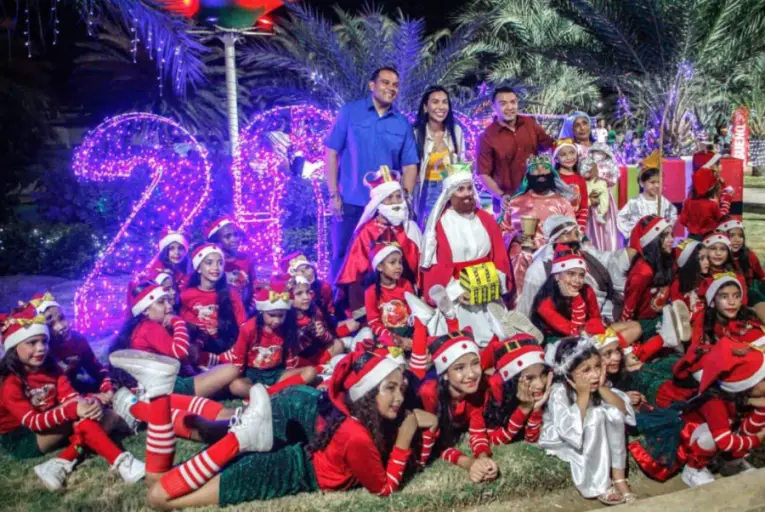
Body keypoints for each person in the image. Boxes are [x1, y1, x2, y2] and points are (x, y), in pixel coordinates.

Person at [110, 349, 437, 508]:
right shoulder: (356, 434)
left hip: (288, 459)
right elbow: (384, 489)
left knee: (157, 484)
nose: (400, 397)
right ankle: (238, 439)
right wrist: (405, 441)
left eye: (402, 388)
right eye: (390, 389)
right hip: (282, 473)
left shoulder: (365, 419)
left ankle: (158, 396)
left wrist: (427, 426)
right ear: (366, 394)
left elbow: (421, 443)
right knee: (158, 498)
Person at [0, 304, 145, 489]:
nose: (41, 348)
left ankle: (60, 462)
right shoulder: (9, 383)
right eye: (32, 342)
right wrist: (76, 407)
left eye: (44, 342)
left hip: (47, 420)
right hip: (23, 437)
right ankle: (121, 460)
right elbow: (33, 422)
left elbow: (71, 396)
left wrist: (88, 403)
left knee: (91, 415)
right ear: (13, 346)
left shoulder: (52, 369)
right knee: (94, 418)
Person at [631, 337, 765, 488]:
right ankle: (694, 469)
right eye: (763, 380)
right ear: (747, 385)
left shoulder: (740, 396)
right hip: (692, 435)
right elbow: (723, 441)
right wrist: (756, 439)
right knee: (710, 437)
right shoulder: (714, 403)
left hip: (722, 432)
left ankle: (731, 462)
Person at [325, 67, 419, 281]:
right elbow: (331, 153)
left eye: (395, 85)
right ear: (372, 85)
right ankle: (338, 308)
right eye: (385, 83)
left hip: (384, 209)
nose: (391, 88)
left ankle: (375, 307)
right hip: (350, 200)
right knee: (342, 254)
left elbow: (410, 164)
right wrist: (333, 194)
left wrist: (405, 199)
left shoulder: (402, 123)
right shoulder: (350, 113)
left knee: (381, 258)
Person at [420, 163, 513, 347]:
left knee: (500, 338)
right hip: (459, 295)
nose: (467, 193)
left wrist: (496, 281)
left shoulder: (486, 219)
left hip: (488, 290)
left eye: (469, 188)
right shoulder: (441, 225)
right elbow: (438, 268)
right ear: (450, 194)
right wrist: (455, 292)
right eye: (460, 189)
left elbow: (499, 257)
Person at [539, 336, 637, 505]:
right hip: (564, 434)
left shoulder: (599, 383)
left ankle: (619, 477)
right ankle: (599, 484)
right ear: (569, 373)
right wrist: (583, 394)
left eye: (598, 367)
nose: (595, 374)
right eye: (586, 370)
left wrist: (601, 387)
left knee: (612, 413)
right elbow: (568, 429)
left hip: (590, 430)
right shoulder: (559, 391)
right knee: (596, 415)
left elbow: (622, 410)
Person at [112, 282, 247, 398]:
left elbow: (184, 355)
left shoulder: (144, 326)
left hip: (165, 384)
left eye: (168, 301)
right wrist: (177, 321)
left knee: (233, 382)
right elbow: (180, 352)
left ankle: (227, 370)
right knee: (231, 370)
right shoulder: (149, 327)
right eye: (161, 302)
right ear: (145, 310)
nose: (169, 306)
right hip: (169, 387)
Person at [335, 166, 422, 318]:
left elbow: (420, 267)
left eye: (398, 197)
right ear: (378, 203)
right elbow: (353, 273)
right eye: (389, 198)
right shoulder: (367, 232)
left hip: (407, 295)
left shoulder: (410, 228)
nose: (396, 203)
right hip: (375, 298)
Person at [517, 216, 636, 325]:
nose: (574, 238)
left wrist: (627, 255)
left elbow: (609, 260)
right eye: (567, 234)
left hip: (602, 314)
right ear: (555, 238)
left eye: (575, 233)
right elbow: (528, 306)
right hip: (567, 323)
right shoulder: (539, 269)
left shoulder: (587, 253)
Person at [418, 329, 499, 482]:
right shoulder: (429, 394)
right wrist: (468, 463)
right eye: (460, 368)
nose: (471, 374)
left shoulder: (478, 388)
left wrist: (483, 460)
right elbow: (435, 445)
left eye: (475, 364)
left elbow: (477, 429)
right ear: (445, 374)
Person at [229, 279, 317, 396]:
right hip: (252, 374)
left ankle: (268, 393)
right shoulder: (248, 328)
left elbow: (290, 355)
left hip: (277, 373)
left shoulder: (287, 327)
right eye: (271, 315)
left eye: (281, 316)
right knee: (235, 386)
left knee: (311, 372)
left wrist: (289, 373)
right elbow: (239, 356)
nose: (276, 321)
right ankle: (275, 392)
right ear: (262, 311)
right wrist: (239, 375)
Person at [501, 155, 575, 294]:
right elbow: (503, 230)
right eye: (535, 169)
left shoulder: (562, 202)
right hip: (520, 258)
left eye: (545, 168)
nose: (540, 172)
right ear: (527, 176)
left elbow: (572, 234)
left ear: (551, 174)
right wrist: (514, 237)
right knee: (521, 257)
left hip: (551, 255)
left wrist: (543, 245)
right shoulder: (515, 202)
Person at [476, 87, 554, 211]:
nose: (510, 107)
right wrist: (501, 195)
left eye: (513, 102)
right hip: (507, 204)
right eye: (503, 104)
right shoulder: (487, 137)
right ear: (493, 107)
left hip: (536, 198)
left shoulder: (529, 124)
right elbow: (483, 174)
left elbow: (550, 146)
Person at [31, 292, 114, 397]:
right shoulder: (41, 354)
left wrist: (107, 389)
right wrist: (92, 397)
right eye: (51, 324)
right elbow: (52, 396)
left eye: (61, 318)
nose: (61, 326)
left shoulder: (77, 340)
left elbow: (96, 369)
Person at [481, 335, 551, 446]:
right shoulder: (495, 397)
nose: (540, 384)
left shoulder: (550, 391)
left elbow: (531, 438)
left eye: (543, 375)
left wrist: (536, 409)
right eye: (530, 378)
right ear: (512, 382)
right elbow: (496, 440)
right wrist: (524, 409)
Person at [180, 243, 246, 357]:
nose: (216, 267)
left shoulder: (231, 294)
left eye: (220, 263)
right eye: (209, 263)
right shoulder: (186, 296)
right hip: (199, 351)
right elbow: (184, 329)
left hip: (228, 349)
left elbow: (243, 326)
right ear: (199, 268)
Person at [413, 86, 465, 224]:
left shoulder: (456, 131)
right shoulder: (415, 133)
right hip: (424, 192)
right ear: (425, 107)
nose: (441, 107)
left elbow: (461, 164)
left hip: (448, 191)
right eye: (435, 102)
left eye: (444, 102)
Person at [365, 242, 415, 350]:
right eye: (392, 262)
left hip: (408, 332)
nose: (398, 267)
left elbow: (413, 311)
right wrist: (393, 338)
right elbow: (373, 322)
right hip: (387, 336)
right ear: (379, 266)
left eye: (400, 262)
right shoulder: (371, 292)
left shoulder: (406, 284)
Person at [617, 153, 677, 242]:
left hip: (658, 240)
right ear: (642, 183)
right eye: (652, 182)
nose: (656, 185)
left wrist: (667, 227)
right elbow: (621, 218)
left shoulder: (663, 201)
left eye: (659, 182)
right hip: (640, 241)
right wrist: (633, 232)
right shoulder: (635, 202)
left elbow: (673, 214)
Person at [204, 217, 256, 309]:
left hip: (245, 311)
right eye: (227, 236)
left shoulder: (245, 259)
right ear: (217, 240)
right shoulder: (211, 262)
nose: (234, 239)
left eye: (235, 235)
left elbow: (253, 285)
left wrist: (250, 308)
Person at [719, 217, 765, 322]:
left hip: (752, 292)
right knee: (753, 294)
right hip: (736, 298)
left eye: (740, 236)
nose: (737, 239)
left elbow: (762, 276)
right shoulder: (719, 259)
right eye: (732, 235)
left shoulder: (749, 255)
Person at [581, 143, 620, 251]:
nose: (598, 155)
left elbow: (613, 179)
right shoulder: (587, 163)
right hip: (590, 191)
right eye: (595, 152)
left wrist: (602, 178)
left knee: (607, 224)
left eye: (601, 152)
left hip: (605, 194)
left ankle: (608, 249)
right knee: (590, 223)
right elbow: (583, 175)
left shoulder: (609, 165)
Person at [678, 167, 733, 240]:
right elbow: (720, 220)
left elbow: (682, 220)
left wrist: (692, 226)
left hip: (691, 237)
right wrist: (727, 200)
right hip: (708, 238)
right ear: (711, 187)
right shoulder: (712, 204)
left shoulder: (688, 202)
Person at [553, 138, 589, 233]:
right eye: (563, 155)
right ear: (556, 158)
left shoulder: (580, 179)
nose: (569, 157)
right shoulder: (554, 178)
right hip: (558, 227)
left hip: (576, 227)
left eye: (572, 153)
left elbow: (584, 207)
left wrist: (580, 229)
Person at [669, 240, 709, 318]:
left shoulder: (703, 280)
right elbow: (679, 315)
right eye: (701, 258)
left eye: (707, 257)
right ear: (689, 261)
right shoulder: (676, 285)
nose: (707, 262)